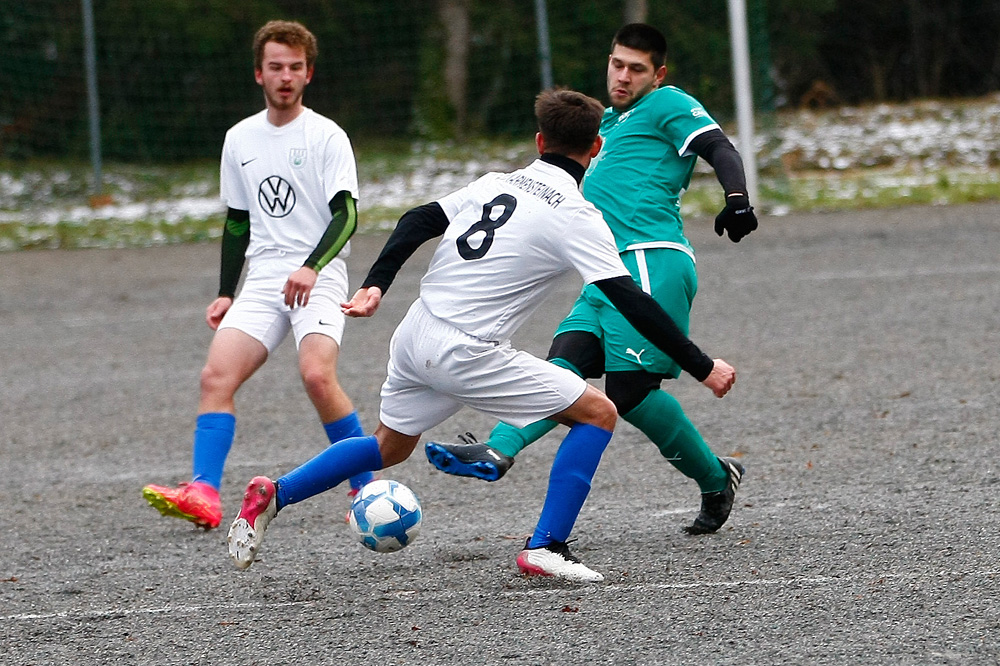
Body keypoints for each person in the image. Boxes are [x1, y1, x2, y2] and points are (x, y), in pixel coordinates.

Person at [226, 88, 737, 582]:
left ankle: (275, 492)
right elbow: (631, 301)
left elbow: (419, 218)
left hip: (415, 334)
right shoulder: (576, 214)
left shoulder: (497, 181)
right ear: (596, 149)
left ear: (539, 142)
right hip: (467, 350)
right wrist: (702, 365)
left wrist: (376, 284)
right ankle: (547, 546)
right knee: (599, 413)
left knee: (388, 447)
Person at [424, 23, 758, 536]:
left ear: (658, 74)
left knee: (627, 391)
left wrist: (737, 198)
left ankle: (714, 479)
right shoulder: (607, 123)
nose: (622, 76)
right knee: (565, 366)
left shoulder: (668, 103)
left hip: (650, 261)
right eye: (617, 64)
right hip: (604, 271)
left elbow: (721, 148)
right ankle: (497, 448)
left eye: (636, 69)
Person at [142, 20, 373, 530]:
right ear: (258, 74)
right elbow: (237, 219)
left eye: (294, 67)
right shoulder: (239, 138)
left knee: (316, 374)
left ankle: (366, 486)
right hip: (265, 278)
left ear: (308, 74)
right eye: (276, 67)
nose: (285, 77)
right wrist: (226, 291)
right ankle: (203, 491)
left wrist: (313, 266)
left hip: (320, 271)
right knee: (215, 377)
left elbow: (348, 215)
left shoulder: (326, 135)